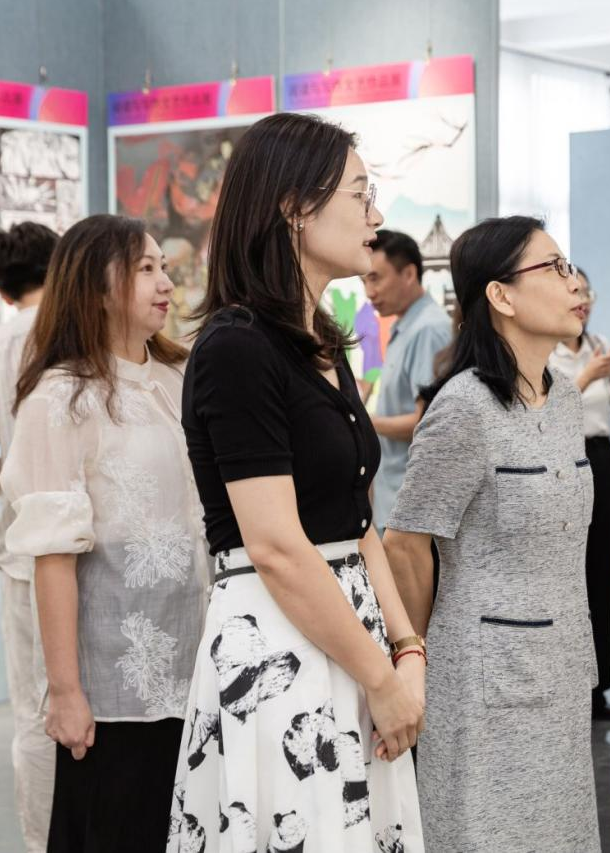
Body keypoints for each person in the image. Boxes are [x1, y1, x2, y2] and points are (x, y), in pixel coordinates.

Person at [170, 112, 423, 852]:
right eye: (359, 194)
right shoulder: (236, 347)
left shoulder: (322, 342)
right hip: (278, 643)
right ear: (293, 206)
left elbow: (357, 519)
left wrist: (406, 649)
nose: (374, 217)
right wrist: (383, 678)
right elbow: (278, 547)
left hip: (354, 636)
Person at [383, 216, 600, 852]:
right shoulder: (463, 407)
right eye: (554, 268)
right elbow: (405, 543)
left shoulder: (566, 397)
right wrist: (414, 660)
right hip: (483, 683)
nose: (573, 282)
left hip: (563, 668)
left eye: (569, 266)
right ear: (501, 296)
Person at [0, 215, 206, 852]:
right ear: (95, 286)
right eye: (145, 268)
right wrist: (65, 692)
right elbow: (53, 557)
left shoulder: (179, 380)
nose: (165, 282)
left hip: (199, 663)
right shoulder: (60, 398)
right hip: (116, 680)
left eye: (163, 267)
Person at [0, 221, 57, 851]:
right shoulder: (87, 329)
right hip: (102, 543)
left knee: (36, 710)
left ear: (1, 291)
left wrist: (27, 494)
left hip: (26, 550)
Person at [549, 266, 610, 722]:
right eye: (574, 291)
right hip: (561, 463)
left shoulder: (600, 345)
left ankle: (598, 689)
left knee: (604, 577)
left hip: (602, 464)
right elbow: (543, 409)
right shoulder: (543, 350)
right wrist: (587, 375)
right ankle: (566, 688)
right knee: (569, 581)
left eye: (587, 292)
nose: (582, 300)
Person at [362, 228, 452, 531]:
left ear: (409, 274)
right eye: (364, 281)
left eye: (375, 278)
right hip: (393, 501)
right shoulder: (406, 327)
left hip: (410, 510)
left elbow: (427, 422)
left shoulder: (429, 330)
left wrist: (362, 421)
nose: (369, 292)